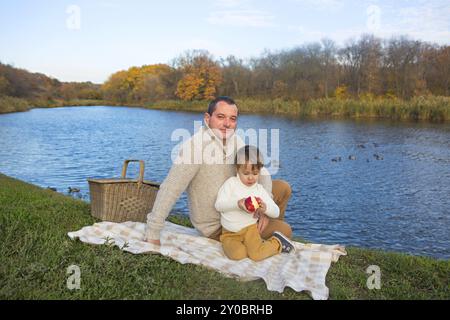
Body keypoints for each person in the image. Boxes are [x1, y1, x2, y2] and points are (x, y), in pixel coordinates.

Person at [144, 96, 293, 246]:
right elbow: (171, 188)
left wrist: (264, 211)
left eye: (232, 119)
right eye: (220, 117)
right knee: (285, 231)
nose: (227, 124)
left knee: (283, 187)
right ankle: (262, 237)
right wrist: (153, 231)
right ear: (207, 118)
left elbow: (262, 172)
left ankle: (261, 230)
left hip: (240, 206)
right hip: (218, 225)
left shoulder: (234, 140)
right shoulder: (195, 148)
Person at [216, 145, 295, 261]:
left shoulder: (259, 190)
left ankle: (277, 243)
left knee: (256, 255)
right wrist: (237, 204)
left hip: (251, 230)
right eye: (246, 173)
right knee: (238, 254)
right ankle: (249, 247)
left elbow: (276, 212)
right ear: (237, 169)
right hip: (230, 233)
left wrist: (266, 209)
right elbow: (218, 205)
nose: (251, 178)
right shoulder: (231, 184)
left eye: (255, 173)